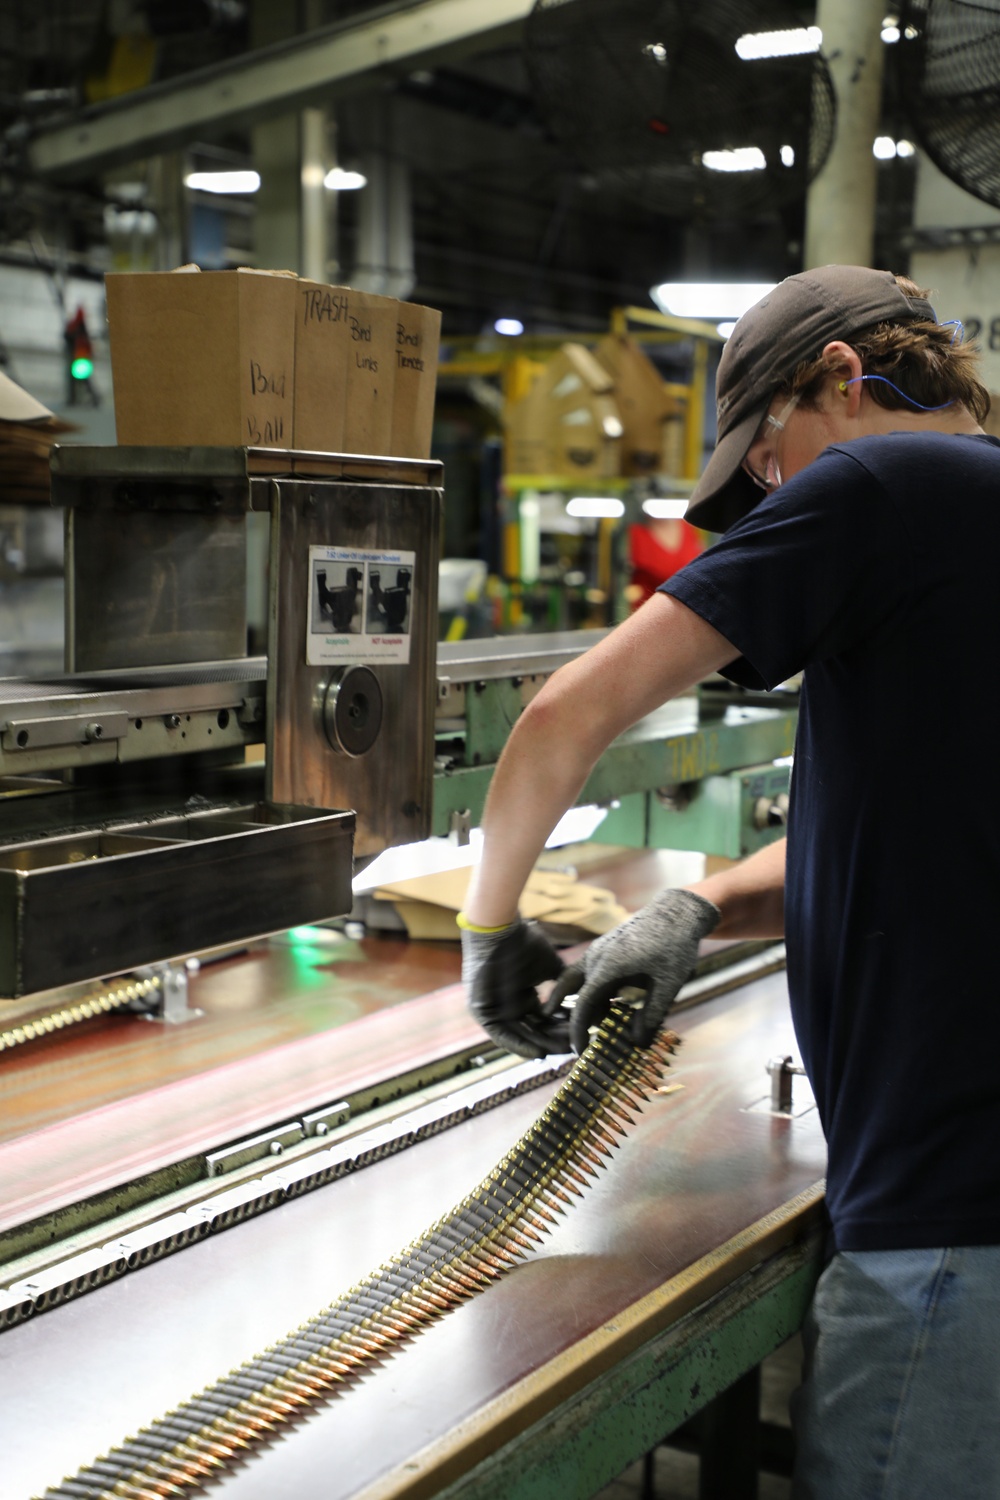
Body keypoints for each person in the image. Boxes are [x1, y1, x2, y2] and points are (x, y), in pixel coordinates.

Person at [457, 265, 1000, 1499]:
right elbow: (917, 833)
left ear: (841, 378)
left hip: (947, 1228)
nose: (770, 495)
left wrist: (488, 926)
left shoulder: (882, 484)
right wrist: (696, 907)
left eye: (765, 458)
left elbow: (562, 716)